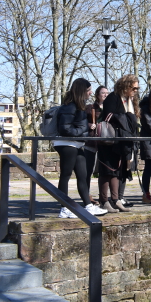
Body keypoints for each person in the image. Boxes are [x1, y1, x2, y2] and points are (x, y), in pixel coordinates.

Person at [54, 78, 107, 218]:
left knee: (82, 176)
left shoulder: (79, 105)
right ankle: (64, 208)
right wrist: (82, 132)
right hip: (66, 144)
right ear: (81, 91)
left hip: (76, 144)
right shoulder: (69, 106)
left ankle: (88, 206)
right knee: (65, 175)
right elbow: (64, 129)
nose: (90, 93)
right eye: (88, 90)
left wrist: (81, 134)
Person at [98, 74, 139, 213]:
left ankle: (115, 200)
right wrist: (126, 118)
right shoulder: (113, 97)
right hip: (109, 140)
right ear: (126, 86)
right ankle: (104, 201)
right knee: (106, 171)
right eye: (134, 88)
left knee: (116, 171)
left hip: (120, 141)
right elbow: (108, 116)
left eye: (137, 88)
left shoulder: (128, 101)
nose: (135, 91)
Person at [84, 86, 108, 204]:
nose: (105, 95)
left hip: (105, 143)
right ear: (97, 94)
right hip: (92, 142)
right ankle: (87, 195)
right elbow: (82, 121)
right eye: (103, 93)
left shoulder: (109, 108)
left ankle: (104, 196)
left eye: (107, 93)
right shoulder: (90, 108)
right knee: (88, 170)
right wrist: (89, 125)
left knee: (105, 171)